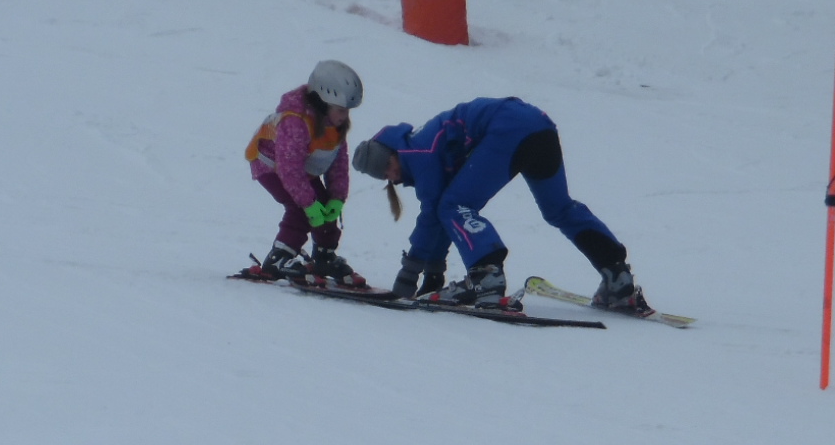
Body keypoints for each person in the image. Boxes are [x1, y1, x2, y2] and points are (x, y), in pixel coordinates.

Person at [349, 96, 649, 312]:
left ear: (393, 153)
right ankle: (618, 278)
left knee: (455, 204)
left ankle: (486, 277)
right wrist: (434, 272)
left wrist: (409, 274)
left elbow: (433, 214)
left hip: (509, 127)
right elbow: (439, 217)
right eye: (384, 177)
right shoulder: (421, 145)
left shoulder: (418, 152)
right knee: (559, 208)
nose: (391, 176)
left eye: (387, 167)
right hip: (538, 126)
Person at [246, 60, 366, 286]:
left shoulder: (334, 124)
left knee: (324, 205)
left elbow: (338, 162)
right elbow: (289, 168)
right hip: (271, 166)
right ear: (323, 102)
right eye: (341, 110)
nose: (345, 116)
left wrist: (337, 198)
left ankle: (324, 256)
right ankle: (279, 257)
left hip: (302, 168)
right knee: (301, 209)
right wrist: (308, 203)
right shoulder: (296, 121)